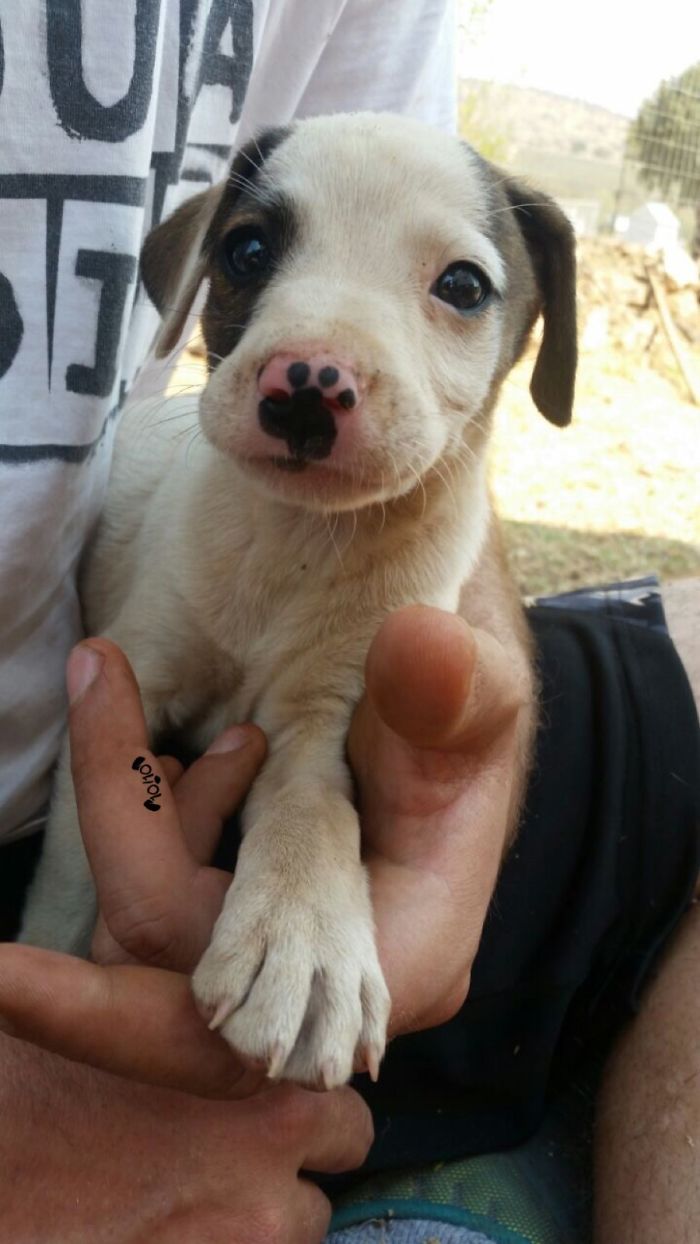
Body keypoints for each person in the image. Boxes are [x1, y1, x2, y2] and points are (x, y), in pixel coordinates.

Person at [1, 4, 699, 1242]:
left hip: (247, 774)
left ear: (534, 338)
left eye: (456, 289)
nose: (318, 357)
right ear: (200, 274)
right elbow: (130, 748)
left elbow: (309, 741)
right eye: (259, 252)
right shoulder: (194, 513)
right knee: (153, 755)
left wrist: (372, 818)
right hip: (98, 789)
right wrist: (51, 1010)